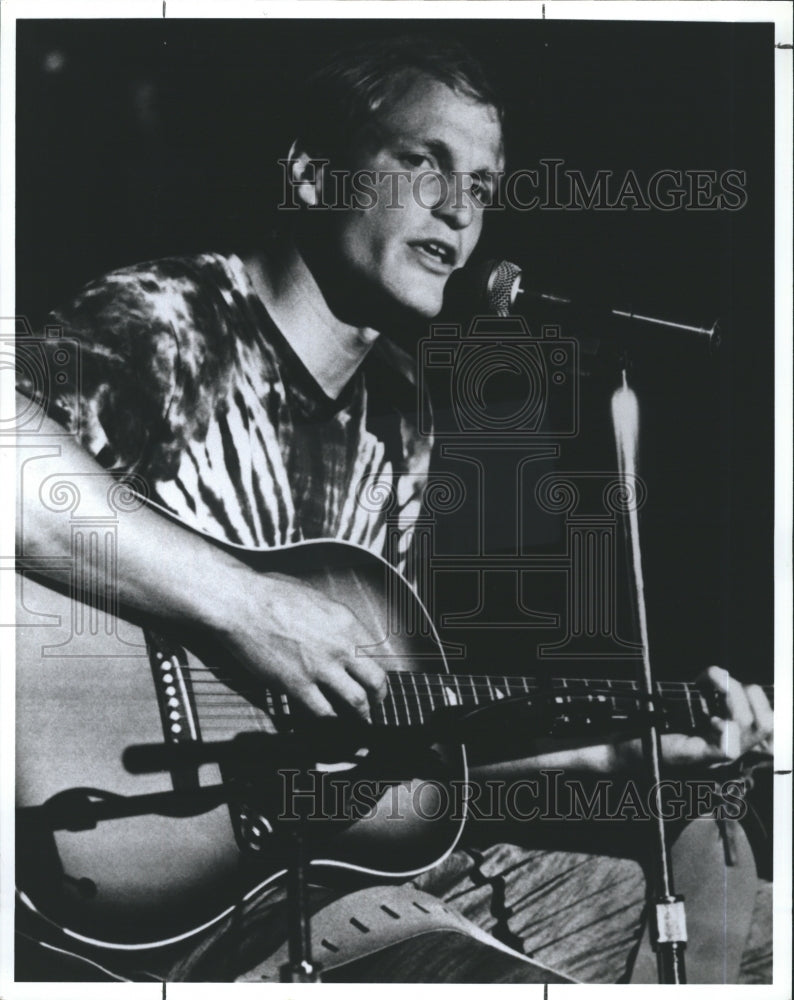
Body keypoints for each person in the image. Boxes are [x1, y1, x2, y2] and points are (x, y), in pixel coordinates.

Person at [15, 35, 773, 984]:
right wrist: (251, 608)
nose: (459, 211)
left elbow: (374, 749)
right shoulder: (165, 321)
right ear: (310, 174)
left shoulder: (402, 415)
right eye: (423, 163)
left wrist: (604, 758)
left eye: (486, 187)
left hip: (304, 871)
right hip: (145, 894)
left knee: (746, 925)